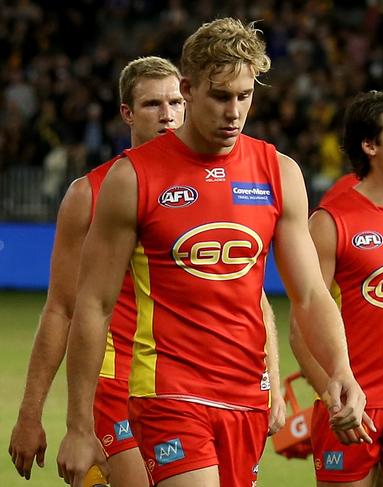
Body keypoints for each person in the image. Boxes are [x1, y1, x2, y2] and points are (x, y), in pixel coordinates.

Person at [56, 17, 366, 487]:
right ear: (189, 89)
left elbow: (309, 295)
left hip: (245, 395)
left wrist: (341, 368)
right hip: (167, 393)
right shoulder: (132, 178)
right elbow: (93, 305)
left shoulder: (278, 173)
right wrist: (79, 426)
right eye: (221, 96)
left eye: (245, 96)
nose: (234, 111)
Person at [9, 56, 186, 487]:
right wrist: (30, 416)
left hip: (186, 382)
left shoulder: (211, 189)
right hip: (113, 385)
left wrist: (269, 380)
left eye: (177, 102)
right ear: (126, 113)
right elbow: (61, 309)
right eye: (152, 105)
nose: (167, 115)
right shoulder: (89, 193)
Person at [290, 90, 383, 487]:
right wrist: (335, 400)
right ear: (369, 145)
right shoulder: (331, 222)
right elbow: (301, 329)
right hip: (352, 405)